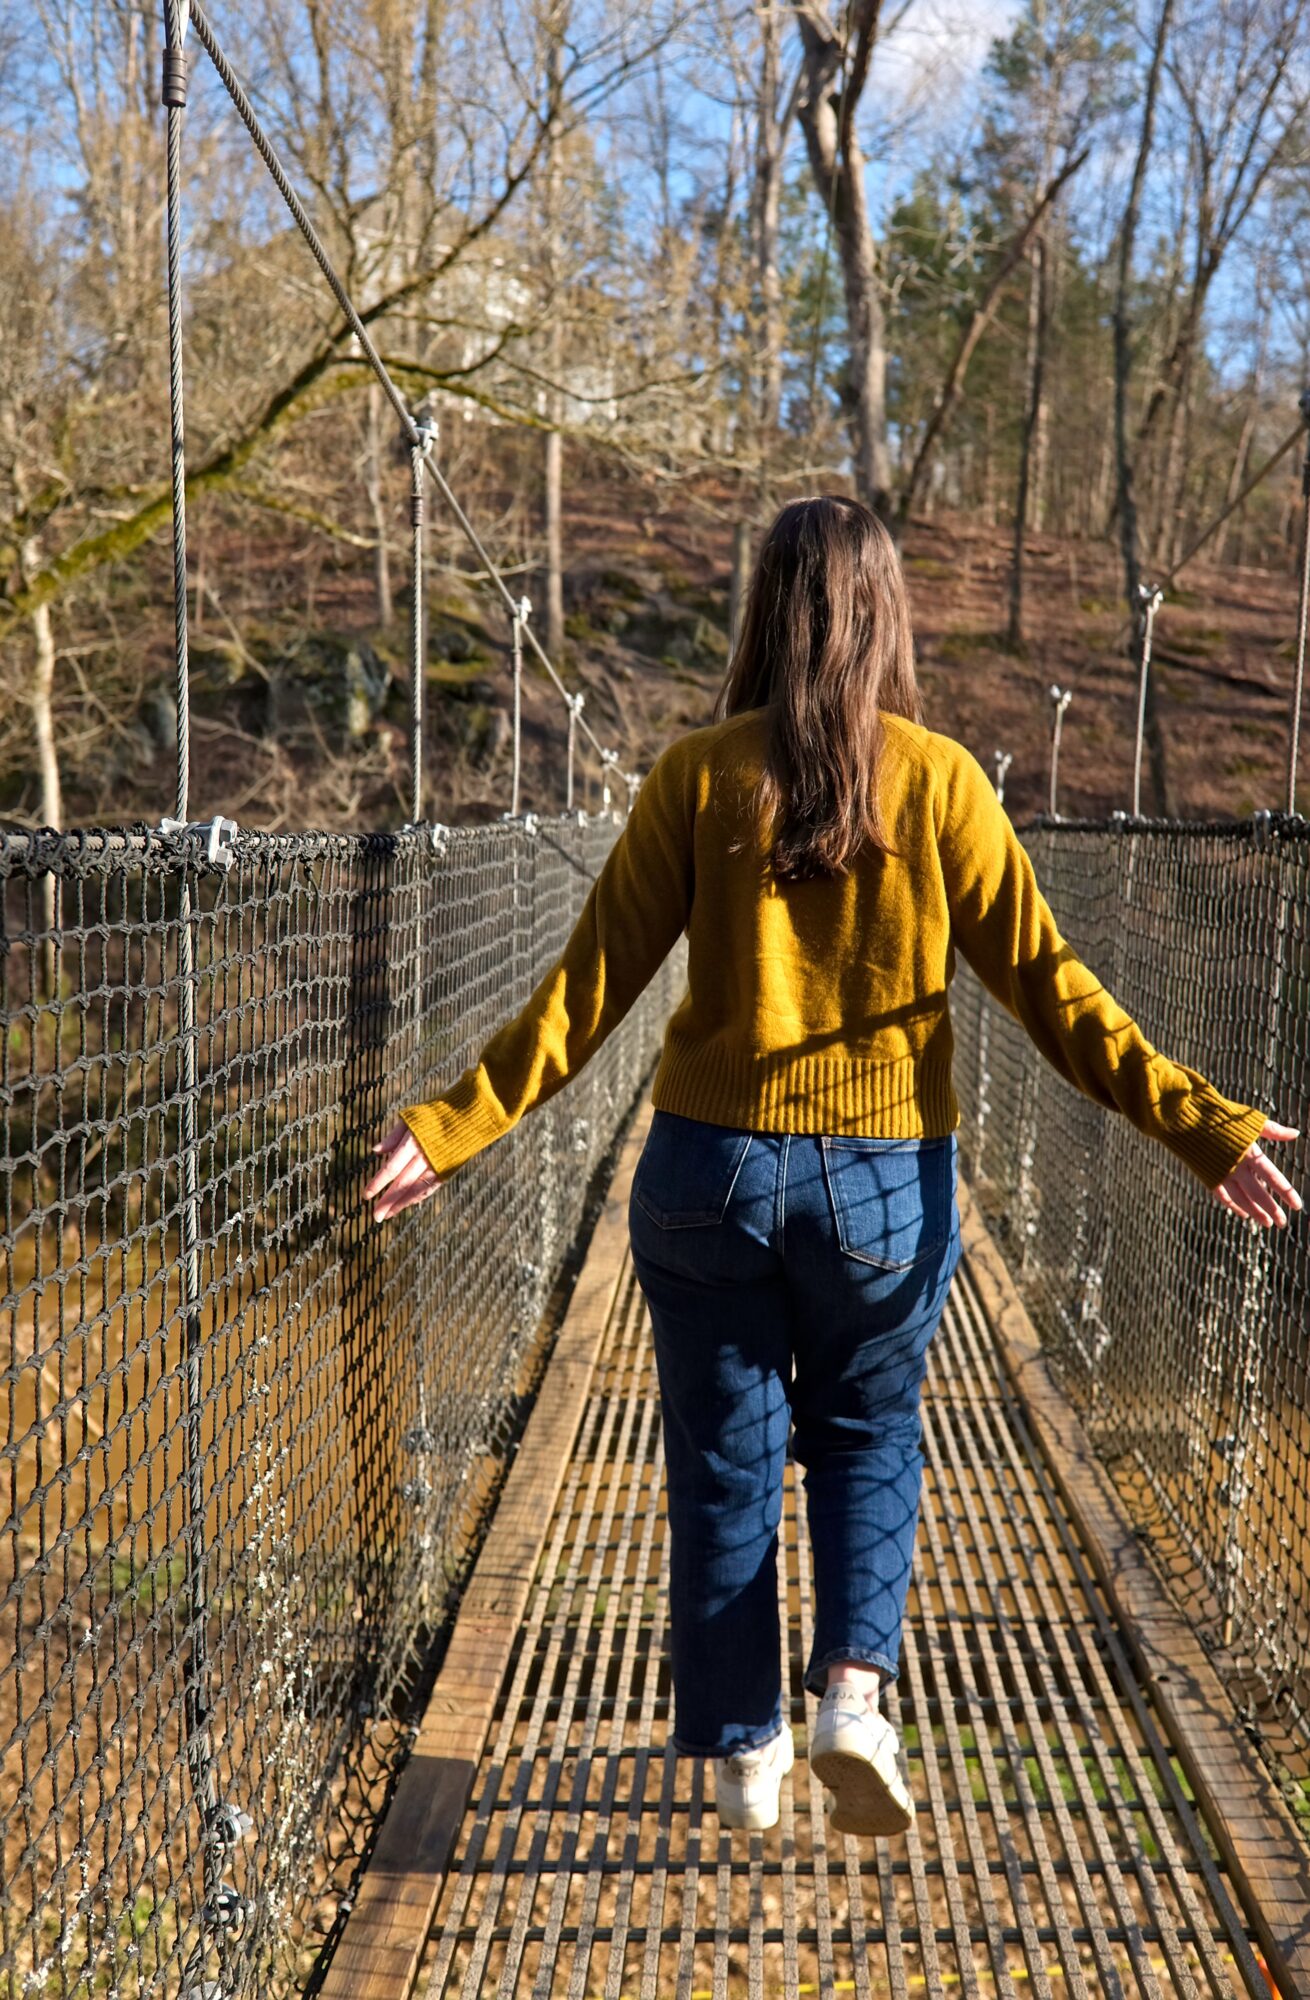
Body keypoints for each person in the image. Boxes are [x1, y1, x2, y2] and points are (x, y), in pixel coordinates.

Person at [363, 494, 1301, 1839]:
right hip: (881, 1188)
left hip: (706, 1176)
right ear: (886, 615)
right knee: (867, 1437)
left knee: (722, 1461)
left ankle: (744, 1743)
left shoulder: (695, 775)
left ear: (762, 610)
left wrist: (450, 1126)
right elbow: (1052, 991)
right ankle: (852, 1697)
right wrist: (1199, 1124)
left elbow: (584, 993)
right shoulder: (941, 780)